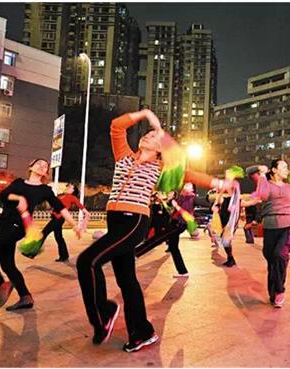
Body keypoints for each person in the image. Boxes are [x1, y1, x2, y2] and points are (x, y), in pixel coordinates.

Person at [75, 109, 232, 352]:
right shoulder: (124, 156)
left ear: (161, 149)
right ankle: (142, 332)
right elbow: (117, 127)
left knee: (88, 261)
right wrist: (144, 114)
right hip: (115, 220)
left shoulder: (161, 169)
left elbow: (188, 174)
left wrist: (219, 183)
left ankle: (105, 312)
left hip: (134, 220)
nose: (148, 136)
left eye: (153, 137)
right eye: (146, 135)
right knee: (126, 279)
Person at [0, 158, 81, 311]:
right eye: (39, 163)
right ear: (30, 166)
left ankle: (1, 284)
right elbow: (4, 195)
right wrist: (19, 198)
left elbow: (60, 207)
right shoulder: (18, 183)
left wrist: (74, 224)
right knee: (7, 264)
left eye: (45, 166)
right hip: (3, 225)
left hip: (17, 227)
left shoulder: (45, 190)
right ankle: (25, 297)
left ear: (46, 172)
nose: (42, 166)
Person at [244, 160, 290, 308]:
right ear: (274, 170)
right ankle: (273, 293)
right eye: (283, 167)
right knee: (272, 260)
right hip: (270, 229)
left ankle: (280, 290)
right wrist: (259, 169)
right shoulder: (264, 183)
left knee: (279, 255)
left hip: (288, 227)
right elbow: (250, 172)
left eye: (287, 167)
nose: (287, 170)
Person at [135, 183, 195, 277]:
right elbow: (171, 210)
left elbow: (184, 212)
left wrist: (175, 205)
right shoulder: (183, 197)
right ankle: (183, 271)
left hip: (178, 224)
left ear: (192, 190)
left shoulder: (189, 198)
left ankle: (136, 253)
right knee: (174, 248)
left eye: (188, 186)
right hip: (175, 223)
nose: (185, 187)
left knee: (158, 238)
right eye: (185, 185)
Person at [39, 183, 90, 262]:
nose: (68, 187)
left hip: (59, 218)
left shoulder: (72, 197)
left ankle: (32, 250)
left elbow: (80, 205)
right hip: (55, 217)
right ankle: (64, 256)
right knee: (59, 237)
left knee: (44, 232)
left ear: (73, 191)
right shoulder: (60, 196)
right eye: (68, 186)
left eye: (70, 187)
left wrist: (86, 213)